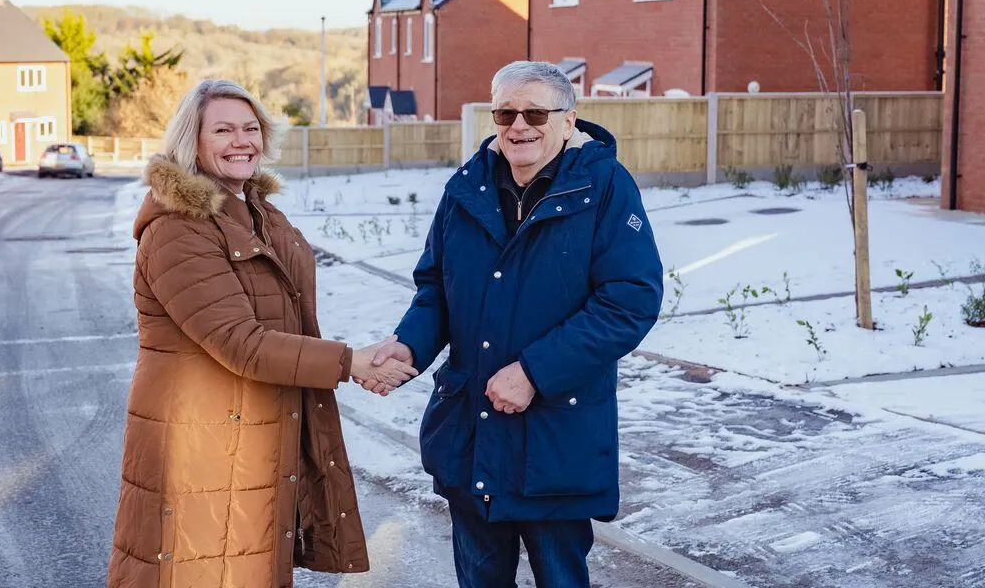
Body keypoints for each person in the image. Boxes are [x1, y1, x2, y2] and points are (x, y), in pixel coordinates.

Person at [361, 61, 664, 586]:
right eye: (505, 112)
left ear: (568, 121)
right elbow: (437, 286)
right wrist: (410, 344)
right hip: (471, 431)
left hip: (554, 439)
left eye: (535, 112)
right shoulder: (466, 187)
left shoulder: (605, 186)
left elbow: (630, 300)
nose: (519, 125)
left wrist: (533, 372)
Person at [109, 79, 418, 588]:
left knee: (250, 566)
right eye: (224, 130)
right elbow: (239, 341)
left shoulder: (257, 213)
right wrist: (351, 362)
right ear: (193, 139)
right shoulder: (178, 228)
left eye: (251, 129)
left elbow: (284, 317)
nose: (242, 141)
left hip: (252, 431)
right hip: (202, 446)